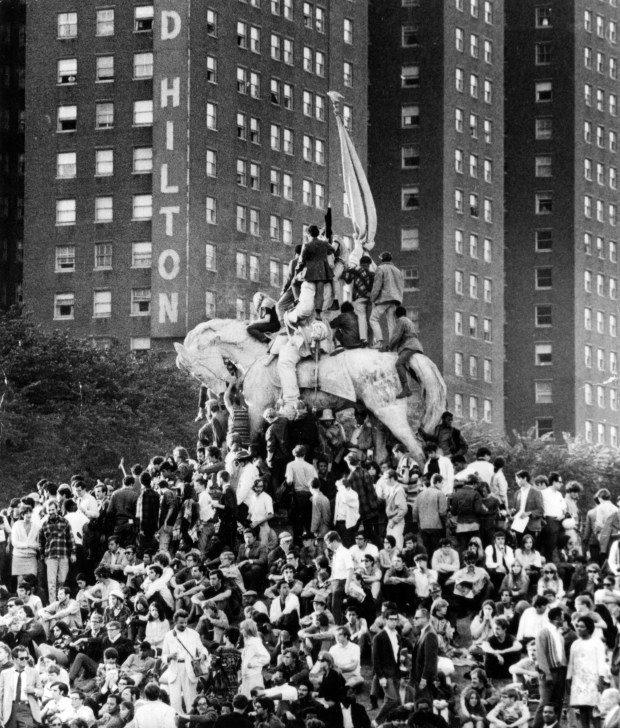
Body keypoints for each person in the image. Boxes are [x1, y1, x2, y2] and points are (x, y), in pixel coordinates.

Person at [160, 609, 209, 713]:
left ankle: (190, 724)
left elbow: (203, 649)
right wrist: (169, 657)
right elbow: (163, 655)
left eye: (186, 622)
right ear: (175, 622)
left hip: (190, 669)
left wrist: (202, 656)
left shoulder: (194, 634)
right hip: (174, 669)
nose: (184, 625)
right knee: (175, 701)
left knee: (191, 700)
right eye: (181, 623)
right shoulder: (168, 635)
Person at [567, 615, 609, 728]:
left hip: (592, 679)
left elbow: (601, 662)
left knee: (593, 709)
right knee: (582, 708)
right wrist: (568, 678)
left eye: (582, 627)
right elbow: (571, 663)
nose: (579, 629)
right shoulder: (575, 644)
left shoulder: (597, 643)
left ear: (589, 628)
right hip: (578, 680)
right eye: (578, 626)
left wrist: (601, 679)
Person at [533, 606, 567, 728]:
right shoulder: (544, 632)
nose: (564, 619)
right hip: (549, 671)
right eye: (562, 616)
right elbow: (540, 654)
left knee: (557, 703)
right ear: (557, 617)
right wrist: (546, 673)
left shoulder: (559, 633)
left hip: (560, 671)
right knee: (545, 703)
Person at [39, 500, 76, 603]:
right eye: (49, 510)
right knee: (51, 582)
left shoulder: (65, 522)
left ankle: (61, 601)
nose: (51, 512)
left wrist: (73, 553)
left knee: (62, 580)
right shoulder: (44, 524)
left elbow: (70, 538)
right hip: (50, 556)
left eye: (53, 509)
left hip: (63, 555)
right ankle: (52, 603)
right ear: (46, 511)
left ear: (57, 509)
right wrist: (43, 556)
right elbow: (41, 541)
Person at [386, 306, 424, 398]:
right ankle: (421, 384)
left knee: (399, 364)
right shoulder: (409, 321)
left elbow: (396, 336)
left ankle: (405, 388)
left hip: (409, 346)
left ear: (396, 315)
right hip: (417, 346)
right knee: (410, 370)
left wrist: (389, 347)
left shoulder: (401, 321)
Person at [0, 645, 42, 728]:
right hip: (9, 708)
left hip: (26, 707)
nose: (25, 660)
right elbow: (0, 694)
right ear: (14, 659)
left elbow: (41, 691)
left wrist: (34, 691)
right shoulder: (5, 673)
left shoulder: (34, 672)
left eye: (26, 658)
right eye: (22, 658)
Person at [368, 251, 404, 349]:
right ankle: (393, 345)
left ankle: (379, 342)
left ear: (382, 259)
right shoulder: (397, 270)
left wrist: (372, 298)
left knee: (373, 319)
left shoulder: (381, 268)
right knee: (391, 323)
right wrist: (399, 299)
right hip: (395, 300)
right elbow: (401, 286)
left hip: (384, 298)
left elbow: (377, 286)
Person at [342, 254, 374, 346]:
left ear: (360, 263)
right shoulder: (372, 274)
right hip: (370, 299)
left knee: (361, 317)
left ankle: (363, 339)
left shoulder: (356, 270)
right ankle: (371, 341)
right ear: (369, 264)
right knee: (370, 320)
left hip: (359, 297)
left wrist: (345, 269)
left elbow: (347, 279)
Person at [239, 619, 270, 697]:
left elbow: (266, 657)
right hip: (247, 677)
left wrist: (252, 664)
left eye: (242, 629)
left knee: (254, 701)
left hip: (254, 678)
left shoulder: (255, 642)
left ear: (248, 629)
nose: (241, 631)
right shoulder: (248, 643)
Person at [411, 608, 438, 698]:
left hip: (425, 679)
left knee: (424, 704)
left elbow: (430, 660)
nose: (413, 620)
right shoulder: (424, 632)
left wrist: (424, 678)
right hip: (418, 675)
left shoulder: (430, 634)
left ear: (425, 619)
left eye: (416, 618)